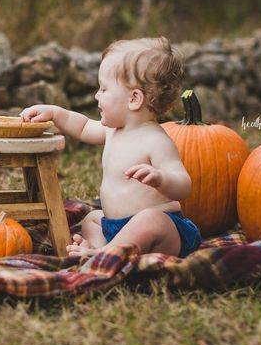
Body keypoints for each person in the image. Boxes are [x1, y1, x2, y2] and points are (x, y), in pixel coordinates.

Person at [19, 37, 201, 258]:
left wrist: (161, 179)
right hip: (116, 227)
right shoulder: (113, 130)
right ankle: (99, 248)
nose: (97, 95)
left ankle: (105, 253)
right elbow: (83, 126)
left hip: (162, 233)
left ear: (134, 99)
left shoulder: (156, 140)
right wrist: (56, 113)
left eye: (104, 89)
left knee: (151, 219)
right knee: (92, 218)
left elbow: (184, 185)